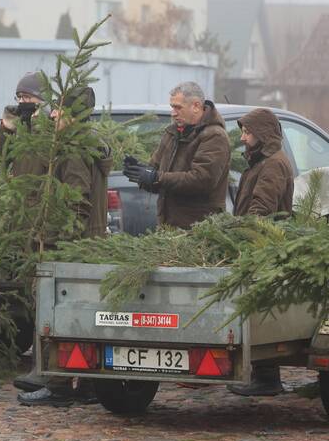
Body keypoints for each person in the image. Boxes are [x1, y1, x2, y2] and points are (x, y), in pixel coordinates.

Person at [15, 86, 113, 407]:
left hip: (70, 246)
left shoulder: (73, 149)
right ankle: (84, 384)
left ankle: (56, 384)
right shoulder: (86, 143)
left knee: (56, 311)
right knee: (81, 314)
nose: (53, 115)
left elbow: (76, 199)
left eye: (59, 111)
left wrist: (61, 241)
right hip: (85, 242)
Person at [227, 107, 295, 397]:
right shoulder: (259, 162)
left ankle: (267, 378)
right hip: (254, 244)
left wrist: (241, 238)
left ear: (262, 135)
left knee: (260, 310)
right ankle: (264, 375)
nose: (243, 138)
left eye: (247, 132)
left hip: (262, 245)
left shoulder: (273, 165)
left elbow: (261, 210)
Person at [122, 81, 230, 229]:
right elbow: (158, 177)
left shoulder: (214, 136)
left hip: (201, 230)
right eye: (172, 107)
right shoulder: (172, 133)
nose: (173, 113)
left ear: (196, 106)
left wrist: (156, 177)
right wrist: (140, 173)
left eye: (178, 107)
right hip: (168, 227)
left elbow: (202, 180)